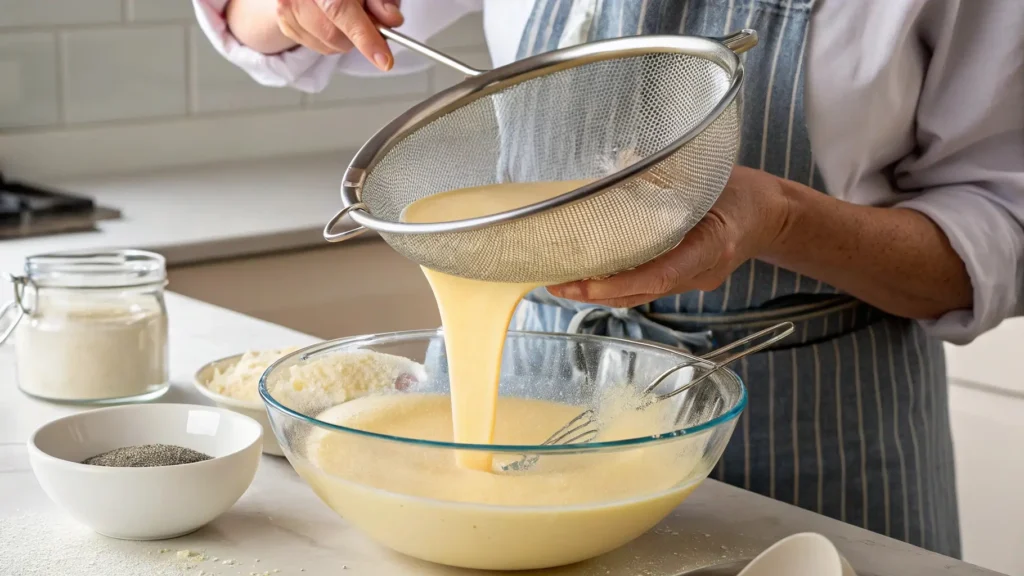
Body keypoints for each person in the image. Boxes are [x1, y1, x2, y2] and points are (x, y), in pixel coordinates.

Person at [194, 0, 1024, 558]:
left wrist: (779, 219)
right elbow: (262, 25)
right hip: (523, 366)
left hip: (812, 427)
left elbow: (1003, 230)